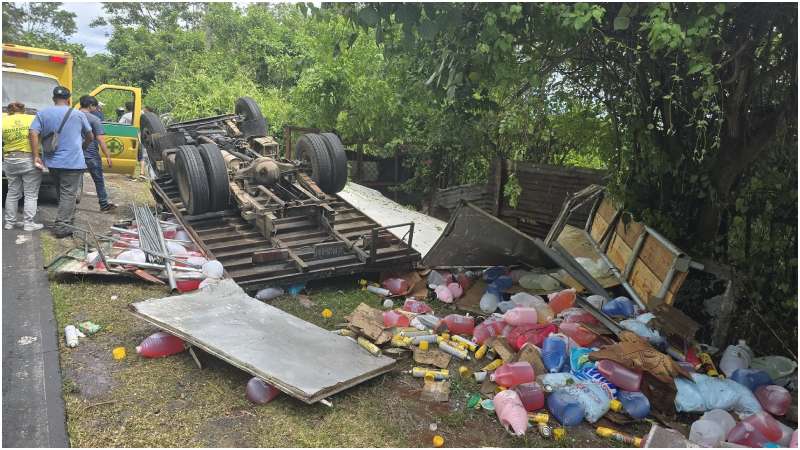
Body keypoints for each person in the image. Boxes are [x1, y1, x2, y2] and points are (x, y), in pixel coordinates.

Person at [29, 86, 93, 238]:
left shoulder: (43, 113)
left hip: (52, 162)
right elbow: (90, 136)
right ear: (69, 99)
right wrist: (82, 147)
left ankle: (68, 222)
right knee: (68, 195)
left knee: (61, 193)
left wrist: (35, 155)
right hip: (72, 162)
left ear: (53, 98)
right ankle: (62, 226)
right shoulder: (78, 114)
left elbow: (33, 132)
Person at [3, 101, 44, 231]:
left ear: (9, 111)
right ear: (23, 110)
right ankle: (28, 223)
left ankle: (9, 222)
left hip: (9, 159)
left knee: (12, 192)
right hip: (28, 158)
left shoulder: (3, 120)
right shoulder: (31, 118)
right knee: (30, 194)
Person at [78, 95, 117, 212]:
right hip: (91, 154)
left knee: (72, 180)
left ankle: (68, 205)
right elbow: (100, 139)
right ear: (90, 106)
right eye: (95, 106)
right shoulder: (94, 119)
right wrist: (108, 156)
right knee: (98, 179)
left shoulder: (71, 115)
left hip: (74, 153)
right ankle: (104, 204)